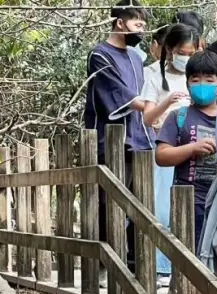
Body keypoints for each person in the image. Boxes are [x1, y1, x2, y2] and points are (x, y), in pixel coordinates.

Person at [155, 51, 217, 294]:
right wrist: (192, 149)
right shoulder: (179, 116)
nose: (202, 85)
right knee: (197, 260)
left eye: (209, 80)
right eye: (195, 80)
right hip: (190, 197)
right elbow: (162, 155)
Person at [85, 0, 152, 273]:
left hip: (140, 136)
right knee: (108, 202)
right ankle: (106, 264)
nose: (142, 30)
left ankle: (137, 264)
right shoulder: (99, 55)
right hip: (109, 138)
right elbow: (115, 93)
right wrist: (146, 105)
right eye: (138, 24)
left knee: (140, 201)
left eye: (145, 25)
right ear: (120, 22)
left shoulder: (137, 58)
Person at [141, 23, 200, 287]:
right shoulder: (154, 75)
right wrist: (169, 101)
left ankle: (190, 264)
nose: (185, 57)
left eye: (190, 51)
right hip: (167, 146)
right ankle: (162, 269)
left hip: (196, 147)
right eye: (180, 51)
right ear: (168, 50)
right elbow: (147, 118)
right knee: (162, 209)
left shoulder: (199, 75)